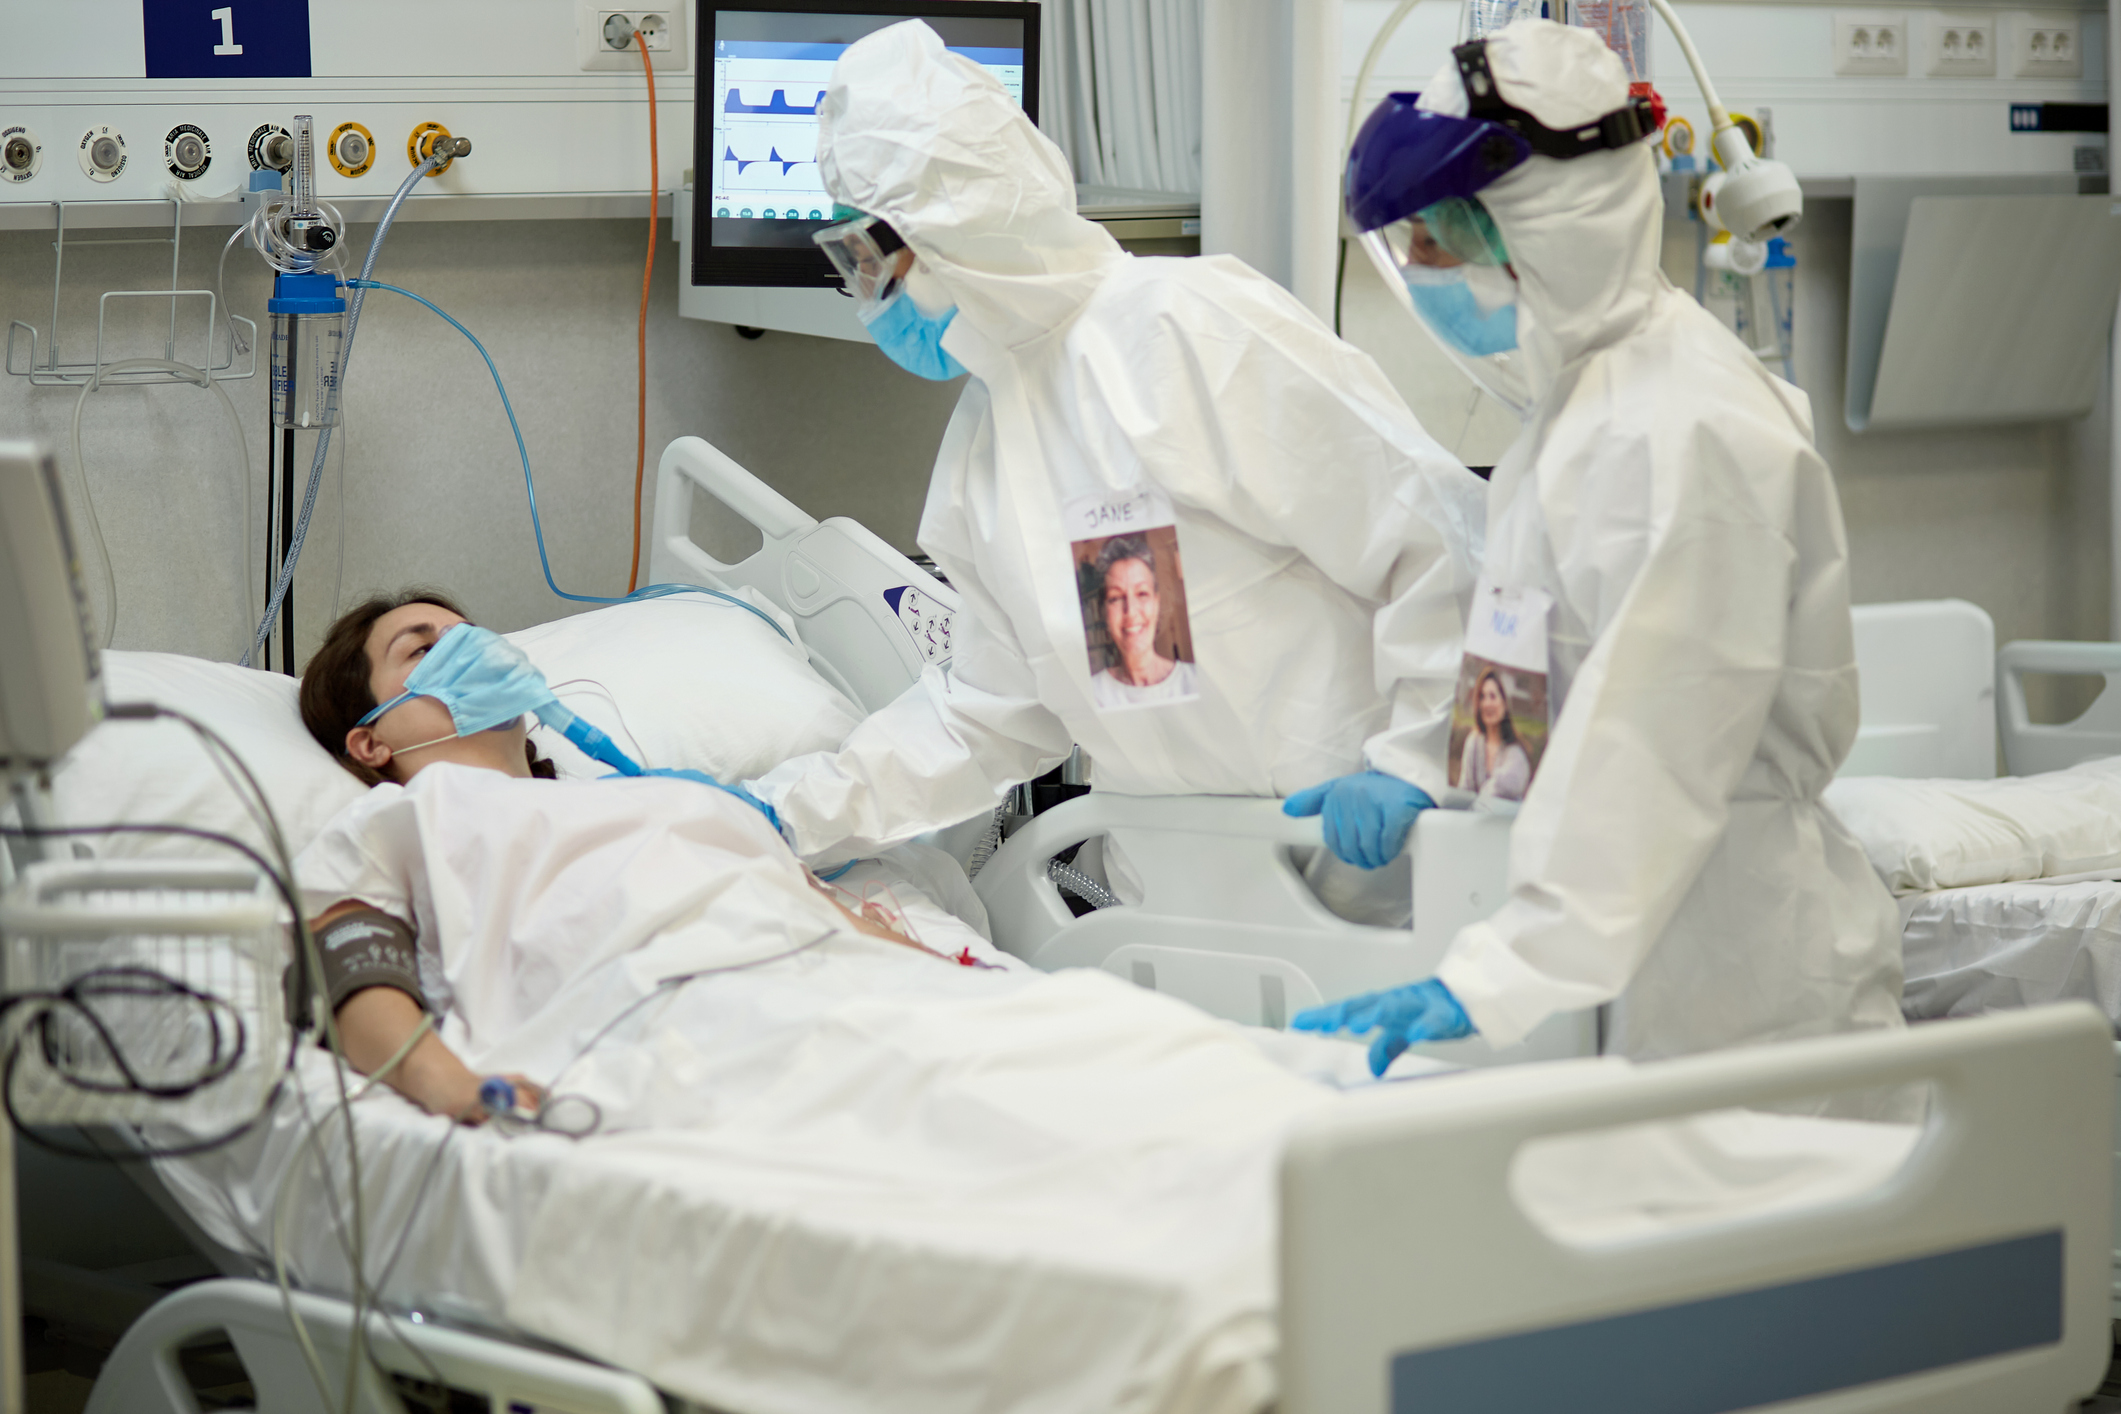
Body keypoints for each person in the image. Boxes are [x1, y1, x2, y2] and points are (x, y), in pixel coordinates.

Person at [748, 20, 1488, 917]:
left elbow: (1437, 540)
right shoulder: (988, 450)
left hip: (1381, 869)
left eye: (866, 258)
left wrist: (1414, 765)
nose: (862, 294)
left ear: (949, 228)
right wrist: (783, 814)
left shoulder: (1186, 332)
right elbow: (987, 711)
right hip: (1181, 902)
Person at [1297, 21, 1904, 1089]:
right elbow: (1547, 666)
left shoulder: (1687, 430)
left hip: (1736, 987)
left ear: (1549, 222)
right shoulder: (1576, 409)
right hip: (1612, 960)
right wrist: (1447, 775)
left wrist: (1491, 980)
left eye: (1442, 236)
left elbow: (1653, 749)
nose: (1424, 269)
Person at [293, 591, 964, 1123]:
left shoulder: (654, 798)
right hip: (686, 1016)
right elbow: (350, 961)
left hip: (854, 989)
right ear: (369, 744)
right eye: (423, 649)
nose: (469, 649)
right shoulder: (406, 814)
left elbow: (820, 908)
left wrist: (955, 990)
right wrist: (446, 1083)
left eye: (473, 635)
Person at [1086, 535, 1199, 709]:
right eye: (1115, 598)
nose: (1130, 611)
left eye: (1142, 594)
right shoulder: (1093, 694)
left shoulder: (1194, 681)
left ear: (1157, 602)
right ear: (1104, 612)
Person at [1458, 669, 1529, 801]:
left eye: (1492, 696)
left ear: (1504, 703)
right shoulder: (1473, 742)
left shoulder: (1516, 753)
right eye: (1482, 697)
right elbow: (1464, 790)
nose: (1487, 704)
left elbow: (1506, 786)